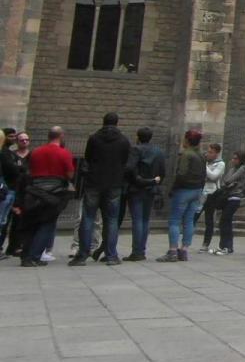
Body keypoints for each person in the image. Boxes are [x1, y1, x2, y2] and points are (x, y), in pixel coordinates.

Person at [70, 112, 131, 267]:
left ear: (103, 122)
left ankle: (82, 255)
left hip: (94, 182)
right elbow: (125, 160)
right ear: (117, 123)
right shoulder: (123, 141)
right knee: (111, 220)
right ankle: (111, 255)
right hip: (114, 184)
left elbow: (88, 157)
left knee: (88, 217)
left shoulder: (94, 139)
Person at [16, 128, 75, 268]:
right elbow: (70, 174)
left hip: (34, 191)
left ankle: (26, 255)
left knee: (32, 224)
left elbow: (28, 171)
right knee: (47, 224)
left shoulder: (36, 152)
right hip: (54, 193)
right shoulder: (64, 153)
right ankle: (34, 256)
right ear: (61, 136)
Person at [157, 130, 205, 262]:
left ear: (187, 140)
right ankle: (184, 250)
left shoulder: (186, 155)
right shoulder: (201, 156)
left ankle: (172, 250)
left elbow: (181, 174)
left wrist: (174, 188)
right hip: (196, 190)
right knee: (189, 221)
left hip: (184, 190)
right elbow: (204, 175)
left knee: (174, 220)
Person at [124, 127, 165, 261]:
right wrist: (155, 182)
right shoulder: (158, 151)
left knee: (137, 220)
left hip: (137, 188)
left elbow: (129, 168)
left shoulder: (136, 149)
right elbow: (162, 171)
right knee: (145, 220)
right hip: (151, 188)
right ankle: (141, 249)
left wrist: (133, 179)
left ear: (138, 136)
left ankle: (137, 251)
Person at [0, 131, 31, 257]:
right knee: (3, 220)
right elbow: (12, 170)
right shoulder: (8, 154)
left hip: (20, 190)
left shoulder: (30, 155)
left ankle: (14, 246)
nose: (24, 142)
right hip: (9, 189)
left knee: (15, 220)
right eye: (21, 139)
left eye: (26, 139)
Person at [212, 150, 245, 255]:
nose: (233, 160)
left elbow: (229, 180)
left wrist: (229, 182)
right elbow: (226, 181)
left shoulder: (242, 169)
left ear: (241, 160)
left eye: (235, 158)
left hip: (235, 198)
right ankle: (226, 246)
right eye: (233, 158)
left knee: (224, 221)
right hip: (228, 197)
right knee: (225, 222)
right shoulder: (233, 169)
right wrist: (228, 182)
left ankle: (225, 247)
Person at [198, 143, 225, 252]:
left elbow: (213, 176)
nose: (208, 154)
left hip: (212, 193)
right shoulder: (207, 162)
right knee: (194, 215)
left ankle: (206, 243)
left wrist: (203, 166)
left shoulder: (221, 164)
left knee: (209, 219)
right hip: (201, 192)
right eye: (208, 151)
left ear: (217, 153)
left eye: (211, 152)